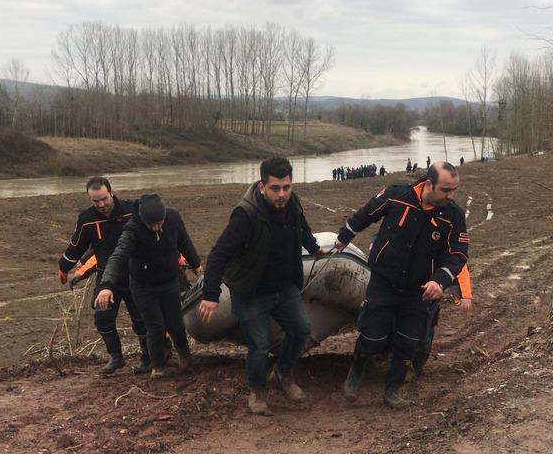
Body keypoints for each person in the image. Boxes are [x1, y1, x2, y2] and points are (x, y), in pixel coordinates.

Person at [335, 161, 472, 408]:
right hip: (384, 282)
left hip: (420, 291)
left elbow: (458, 254)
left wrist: (440, 281)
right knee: (372, 335)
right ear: (429, 183)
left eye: (454, 190)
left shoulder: (453, 216)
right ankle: (355, 373)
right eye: (446, 190)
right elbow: (366, 213)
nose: (451, 196)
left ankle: (392, 390)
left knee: (408, 341)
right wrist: (344, 237)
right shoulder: (397, 195)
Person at [198, 157, 328, 415]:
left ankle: (282, 373)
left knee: (301, 330)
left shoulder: (293, 204)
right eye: (275, 188)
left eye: (286, 187)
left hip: (284, 285)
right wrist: (210, 294)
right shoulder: (245, 215)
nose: (282, 194)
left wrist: (314, 248)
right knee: (259, 345)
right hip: (251, 291)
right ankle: (257, 391)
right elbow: (218, 255)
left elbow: (301, 229)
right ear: (262, 186)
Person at [96, 193, 203, 378]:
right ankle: (158, 367)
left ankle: (185, 358)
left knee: (175, 322)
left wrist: (196, 264)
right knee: (155, 326)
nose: (155, 228)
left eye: (158, 223)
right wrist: (106, 285)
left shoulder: (173, 218)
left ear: (164, 217)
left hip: (170, 280)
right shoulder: (132, 229)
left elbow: (184, 241)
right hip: (143, 285)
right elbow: (118, 256)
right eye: (150, 225)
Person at [57, 177, 149, 376]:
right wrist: (64, 267)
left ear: (111, 193)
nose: (101, 205)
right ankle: (116, 357)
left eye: (104, 199)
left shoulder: (132, 210)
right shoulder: (87, 219)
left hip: (136, 273)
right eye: (95, 201)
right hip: (107, 276)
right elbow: (76, 246)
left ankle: (148, 356)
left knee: (141, 318)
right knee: (102, 316)